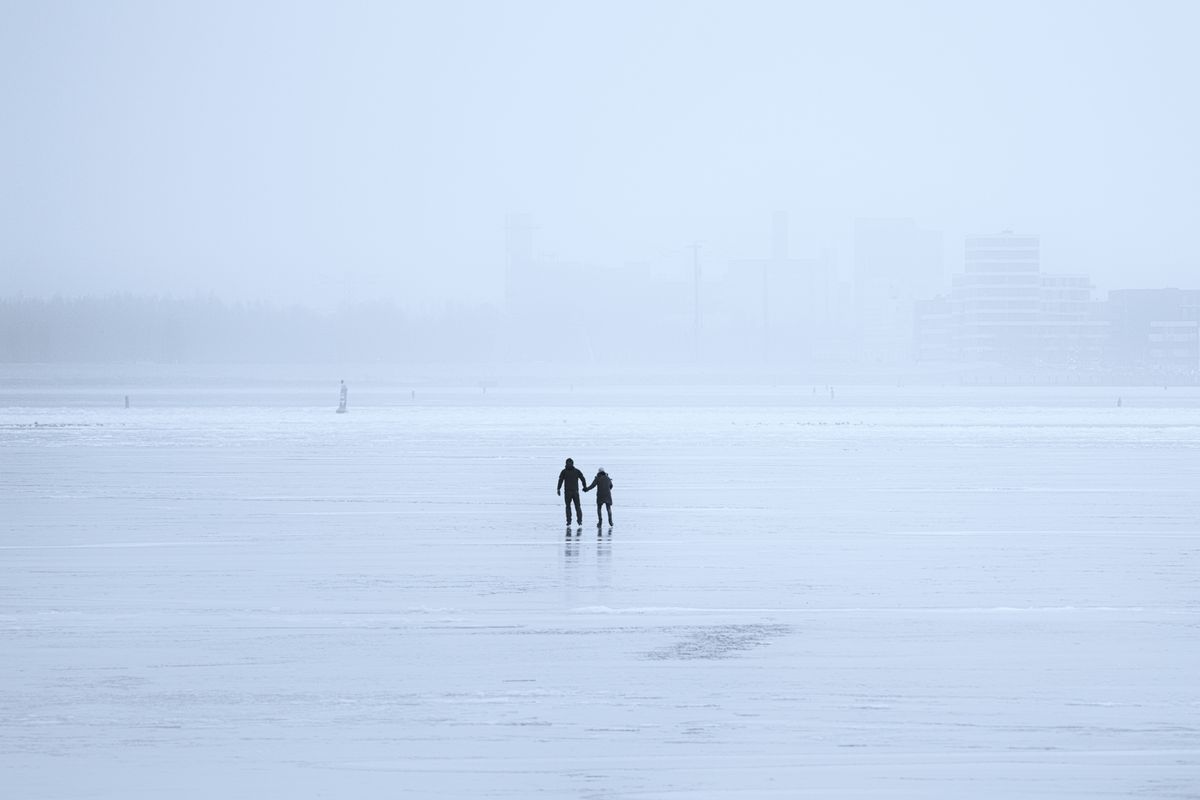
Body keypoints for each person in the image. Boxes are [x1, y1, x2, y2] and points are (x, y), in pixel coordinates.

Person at [556, 458, 587, 525]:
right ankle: (579, 521)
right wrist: (584, 487)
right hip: (575, 492)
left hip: (567, 492)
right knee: (577, 506)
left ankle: (569, 521)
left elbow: (560, 480)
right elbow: (583, 479)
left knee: (568, 506)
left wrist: (558, 489)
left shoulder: (564, 471)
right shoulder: (577, 471)